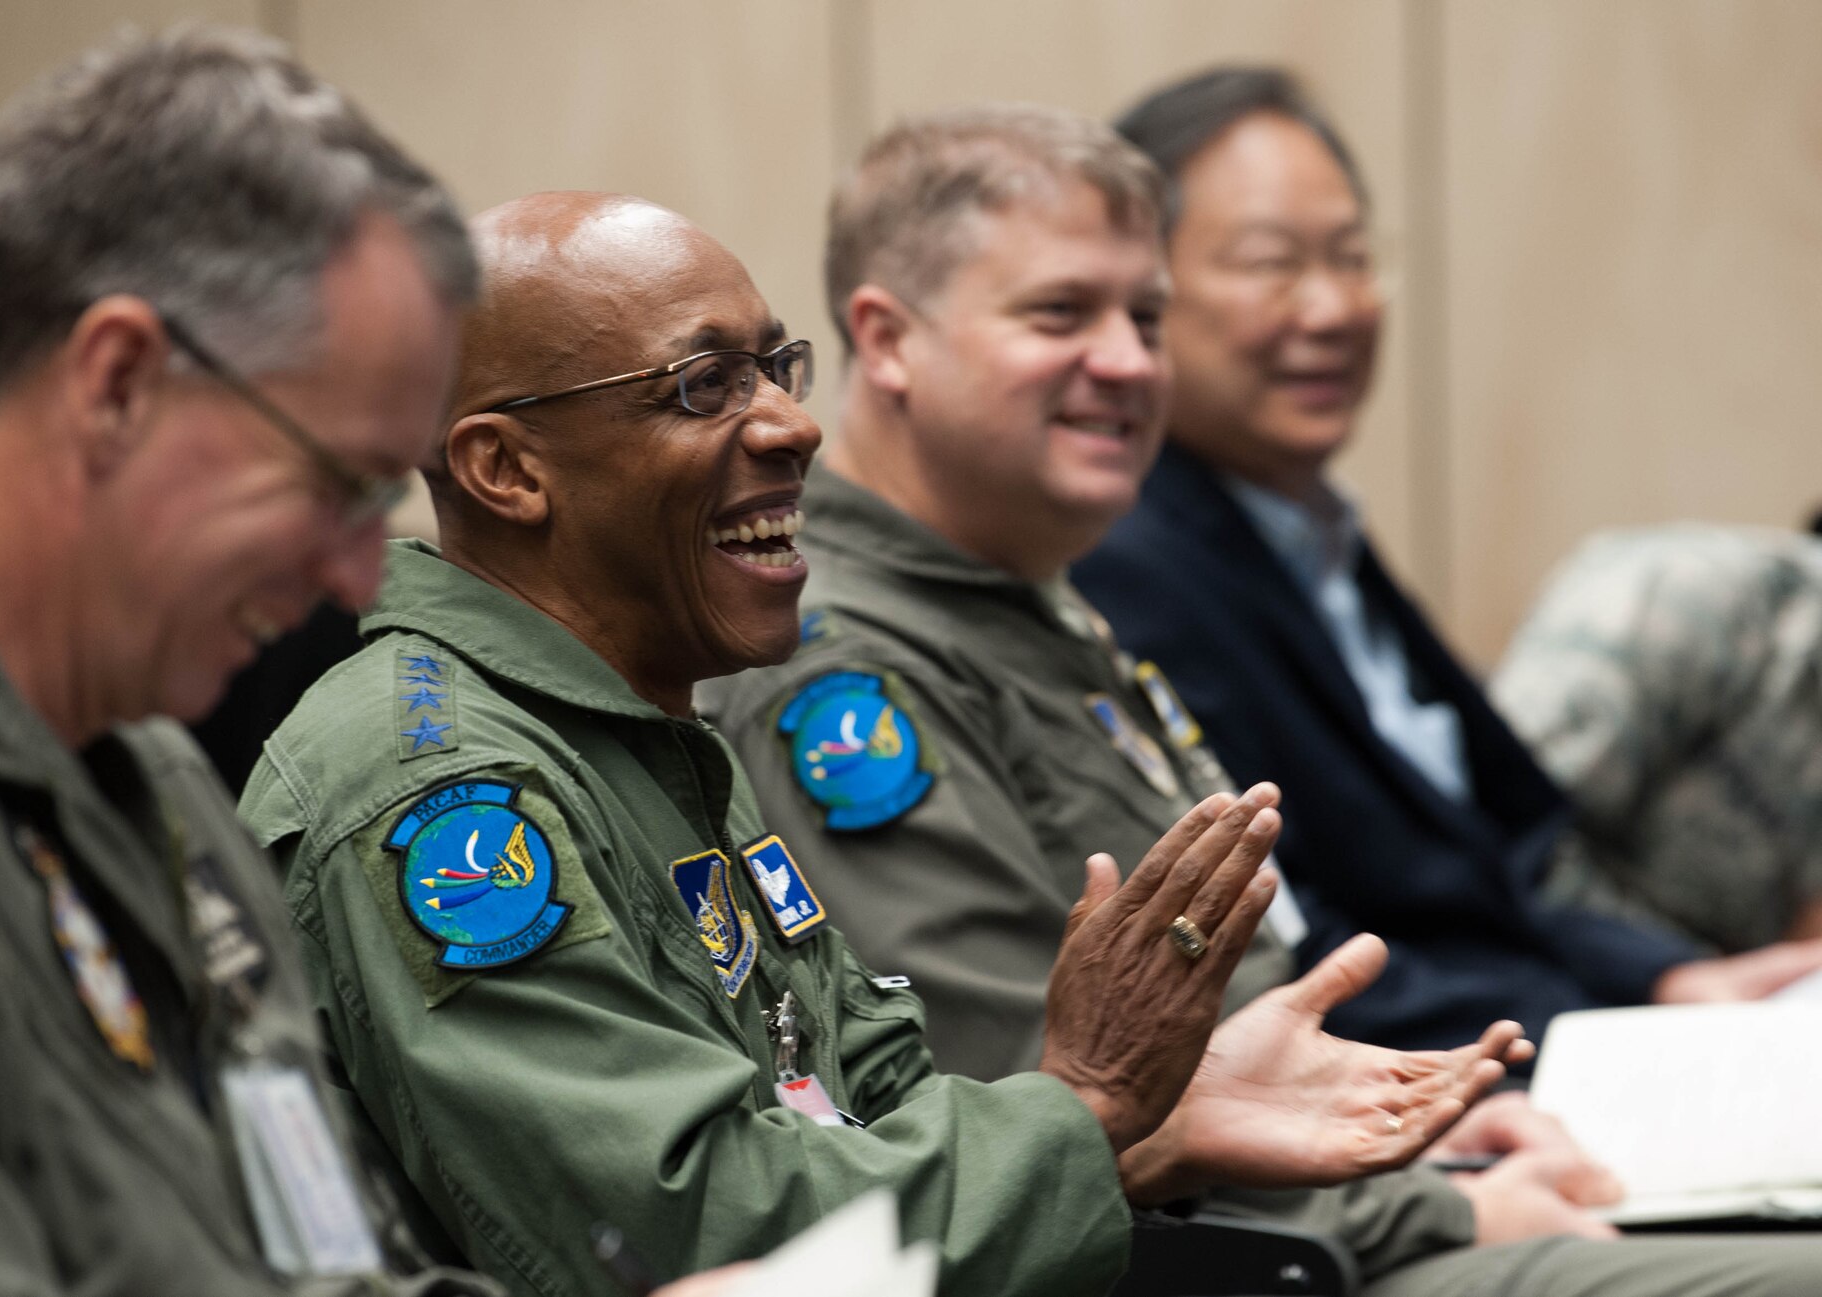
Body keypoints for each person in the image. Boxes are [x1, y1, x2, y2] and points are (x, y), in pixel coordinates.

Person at [239, 188, 1520, 1297]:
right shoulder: (446, 795)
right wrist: (1089, 1107)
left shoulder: (644, 722)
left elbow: (867, 1096)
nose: (789, 425)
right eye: (702, 385)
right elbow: (696, 1242)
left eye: (772, 367)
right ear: (507, 470)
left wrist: (1150, 1120)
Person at [702, 101, 1822, 1296]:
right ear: (886, 339)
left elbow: (1249, 1006)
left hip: (1342, 1194)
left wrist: (1417, 1124)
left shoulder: (1032, 601)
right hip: (1245, 1257)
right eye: (1059, 313)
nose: (1129, 361)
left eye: (1144, 317)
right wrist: (1432, 1207)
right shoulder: (844, 680)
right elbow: (1019, 1099)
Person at [0, 26, 515, 1295]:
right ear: (120, 382)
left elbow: (315, 1259)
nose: (361, 580)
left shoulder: (153, 769)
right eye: (339, 489)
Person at [1069, 66, 1822, 1053]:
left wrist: (1671, 981)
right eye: (1271, 263)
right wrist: (1615, 1041)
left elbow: (1487, 871)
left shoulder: (1305, 526)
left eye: (1349, 257)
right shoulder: (1133, 562)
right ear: (1144, 294)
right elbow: (1289, 944)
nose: (1332, 306)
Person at [1493, 523, 1822, 953]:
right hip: (1536, 977)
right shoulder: (1688, 594)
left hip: (1701, 1000)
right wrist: (1668, 971)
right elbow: (1495, 831)